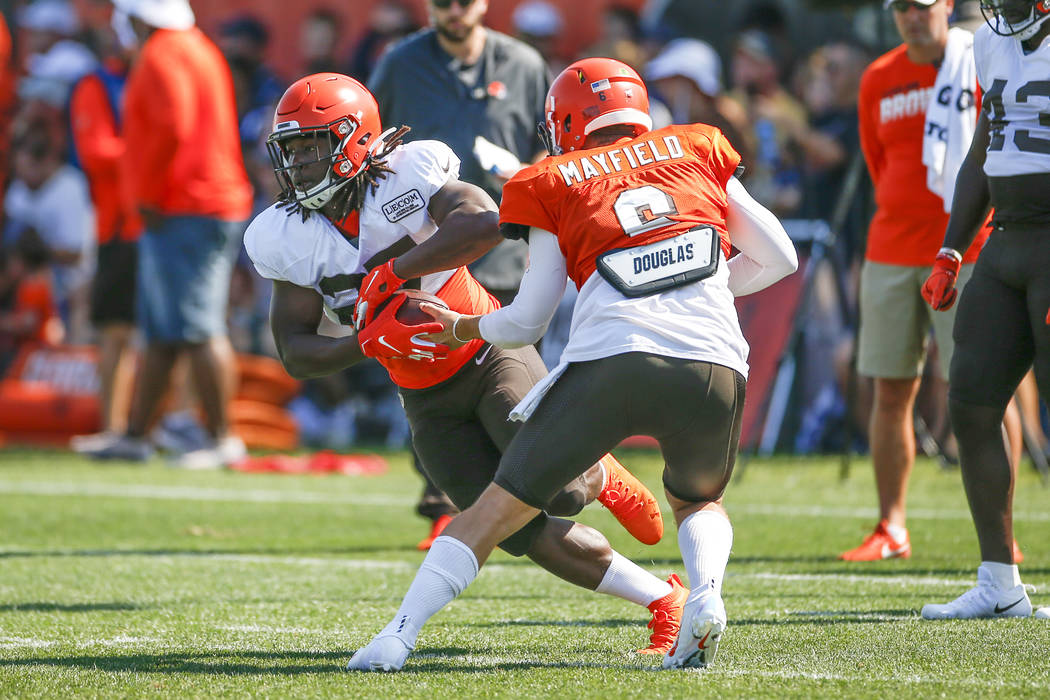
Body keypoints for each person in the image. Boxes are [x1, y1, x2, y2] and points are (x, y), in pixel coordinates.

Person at [348, 57, 797, 673]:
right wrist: (703, 286)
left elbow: (527, 322)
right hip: (713, 363)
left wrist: (461, 326)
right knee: (698, 503)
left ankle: (397, 637)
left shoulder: (550, 180)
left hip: (610, 366)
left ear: (564, 121)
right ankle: (708, 595)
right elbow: (780, 257)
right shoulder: (697, 147)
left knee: (490, 514)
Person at [245, 72, 687, 655]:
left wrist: (391, 276)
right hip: (424, 399)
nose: (298, 165)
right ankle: (663, 598)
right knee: (522, 533)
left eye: (311, 147)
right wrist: (370, 341)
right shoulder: (285, 234)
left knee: (564, 492)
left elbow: (485, 223)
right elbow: (296, 351)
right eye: (292, 151)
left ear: (353, 140)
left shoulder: (408, 172)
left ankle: (598, 470)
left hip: (485, 353)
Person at [367, 0, 552, 544]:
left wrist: (530, 180)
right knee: (426, 370)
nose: (452, 11)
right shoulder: (400, 63)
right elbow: (368, 151)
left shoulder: (522, 62)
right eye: (440, 2)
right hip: (427, 253)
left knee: (512, 380)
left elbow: (550, 149)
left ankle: (517, 493)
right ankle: (444, 501)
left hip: (504, 245)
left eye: (462, 1)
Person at [841, 0, 999, 562]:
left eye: (922, 4)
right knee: (889, 391)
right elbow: (878, 161)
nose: (912, 15)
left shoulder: (982, 59)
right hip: (890, 249)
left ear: (949, 6)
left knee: (984, 393)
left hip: (970, 250)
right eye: (901, 6)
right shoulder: (879, 77)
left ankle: (1003, 540)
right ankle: (891, 526)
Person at [919, 0, 1050, 620]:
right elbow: (984, 148)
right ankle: (1000, 581)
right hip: (1006, 239)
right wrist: (950, 248)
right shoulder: (988, 43)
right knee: (970, 399)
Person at [82, 0, 252, 469]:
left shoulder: (161, 54)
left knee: (198, 327)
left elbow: (169, 125)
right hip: (196, 203)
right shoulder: (197, 47)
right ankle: (135, 435)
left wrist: (149, 195)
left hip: (185, 207)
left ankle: (223, 439)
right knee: (162, 329)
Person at [68, 3, 141, 449]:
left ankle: (161, 424)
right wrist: (149, 150)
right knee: (115, 329)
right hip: (119, 226)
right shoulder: (96, 83)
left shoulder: (152, 76)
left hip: (157, 222)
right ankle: (113, 427)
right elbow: (96, 153)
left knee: (175, 332)